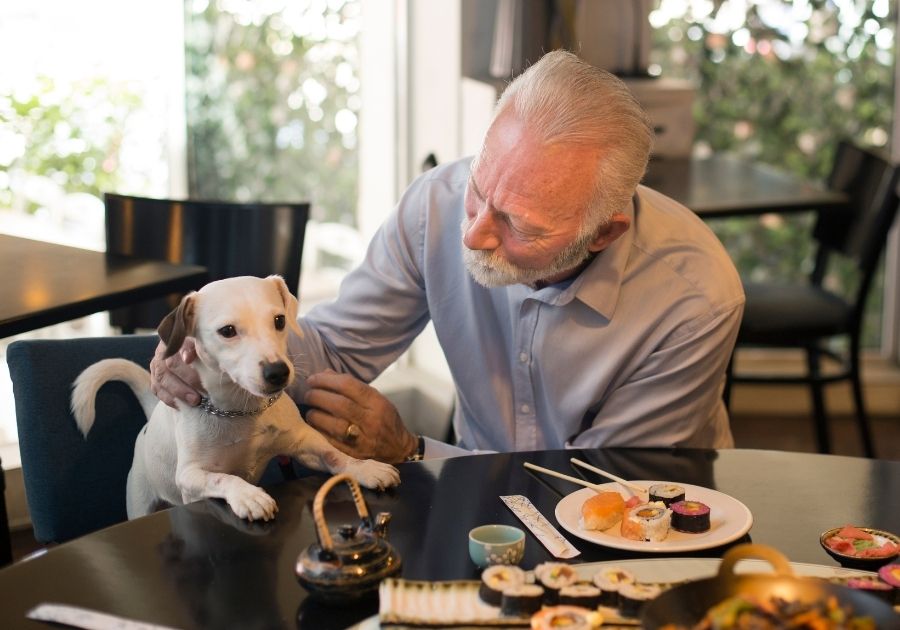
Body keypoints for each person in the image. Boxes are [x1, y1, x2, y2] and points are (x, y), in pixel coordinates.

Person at [151, 50, 744, 464]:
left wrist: (412, 453)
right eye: (480, 191)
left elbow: (602, 493)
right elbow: (332, 354)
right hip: (471, 491)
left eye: (517, 224)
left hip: (641, 526)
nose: (474, 234)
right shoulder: (436, 205)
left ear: (602, 234)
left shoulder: (694, 299)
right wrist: (213, 349)